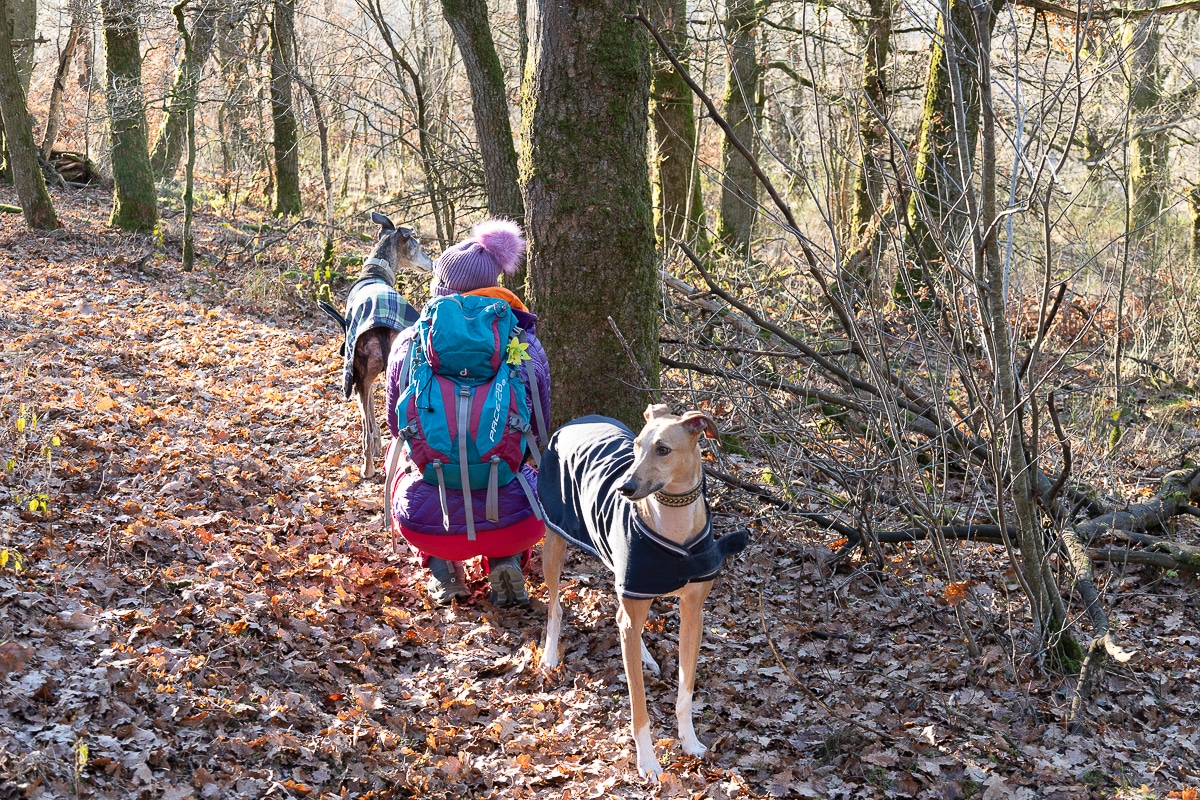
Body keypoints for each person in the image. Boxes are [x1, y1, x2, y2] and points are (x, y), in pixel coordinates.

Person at [384, 219, 551, 606]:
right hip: (517, 521)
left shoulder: (411, 343)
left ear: (440, 288)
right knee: (518, 469)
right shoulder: (523, 342)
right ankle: (505, 559)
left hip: (427, 520)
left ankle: (443, 571)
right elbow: (538, 428)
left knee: (410, 471)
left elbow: (398, 426)